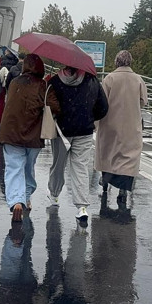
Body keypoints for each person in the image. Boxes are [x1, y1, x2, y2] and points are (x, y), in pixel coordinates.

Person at [0, 54, 60, 222]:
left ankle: (16, 201)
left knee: (14, 168)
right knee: (28, 167)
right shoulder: (43, 86)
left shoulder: (15, 82)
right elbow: (55, 107)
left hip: (10, 133)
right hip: (33, 135)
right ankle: (25, 197)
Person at [47, 66, 108, 223]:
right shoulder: (92, 81)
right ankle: (82, 207)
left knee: (58, 164)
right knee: (80, 167)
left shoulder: (55, 81)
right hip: (84, 131)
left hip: (61, 131)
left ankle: (54, 196)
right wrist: (89, 118)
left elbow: (49, 105)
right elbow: (103, 107)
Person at [94, 50, 148, 204]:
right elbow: (144, 101)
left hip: (110, 123)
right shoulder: (138, 80)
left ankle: (105, 181)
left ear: (116, 62)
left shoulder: (109, 78)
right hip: (131, 124)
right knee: (127, 157)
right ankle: (123, 189)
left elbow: (102, 101)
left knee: (108, 153)